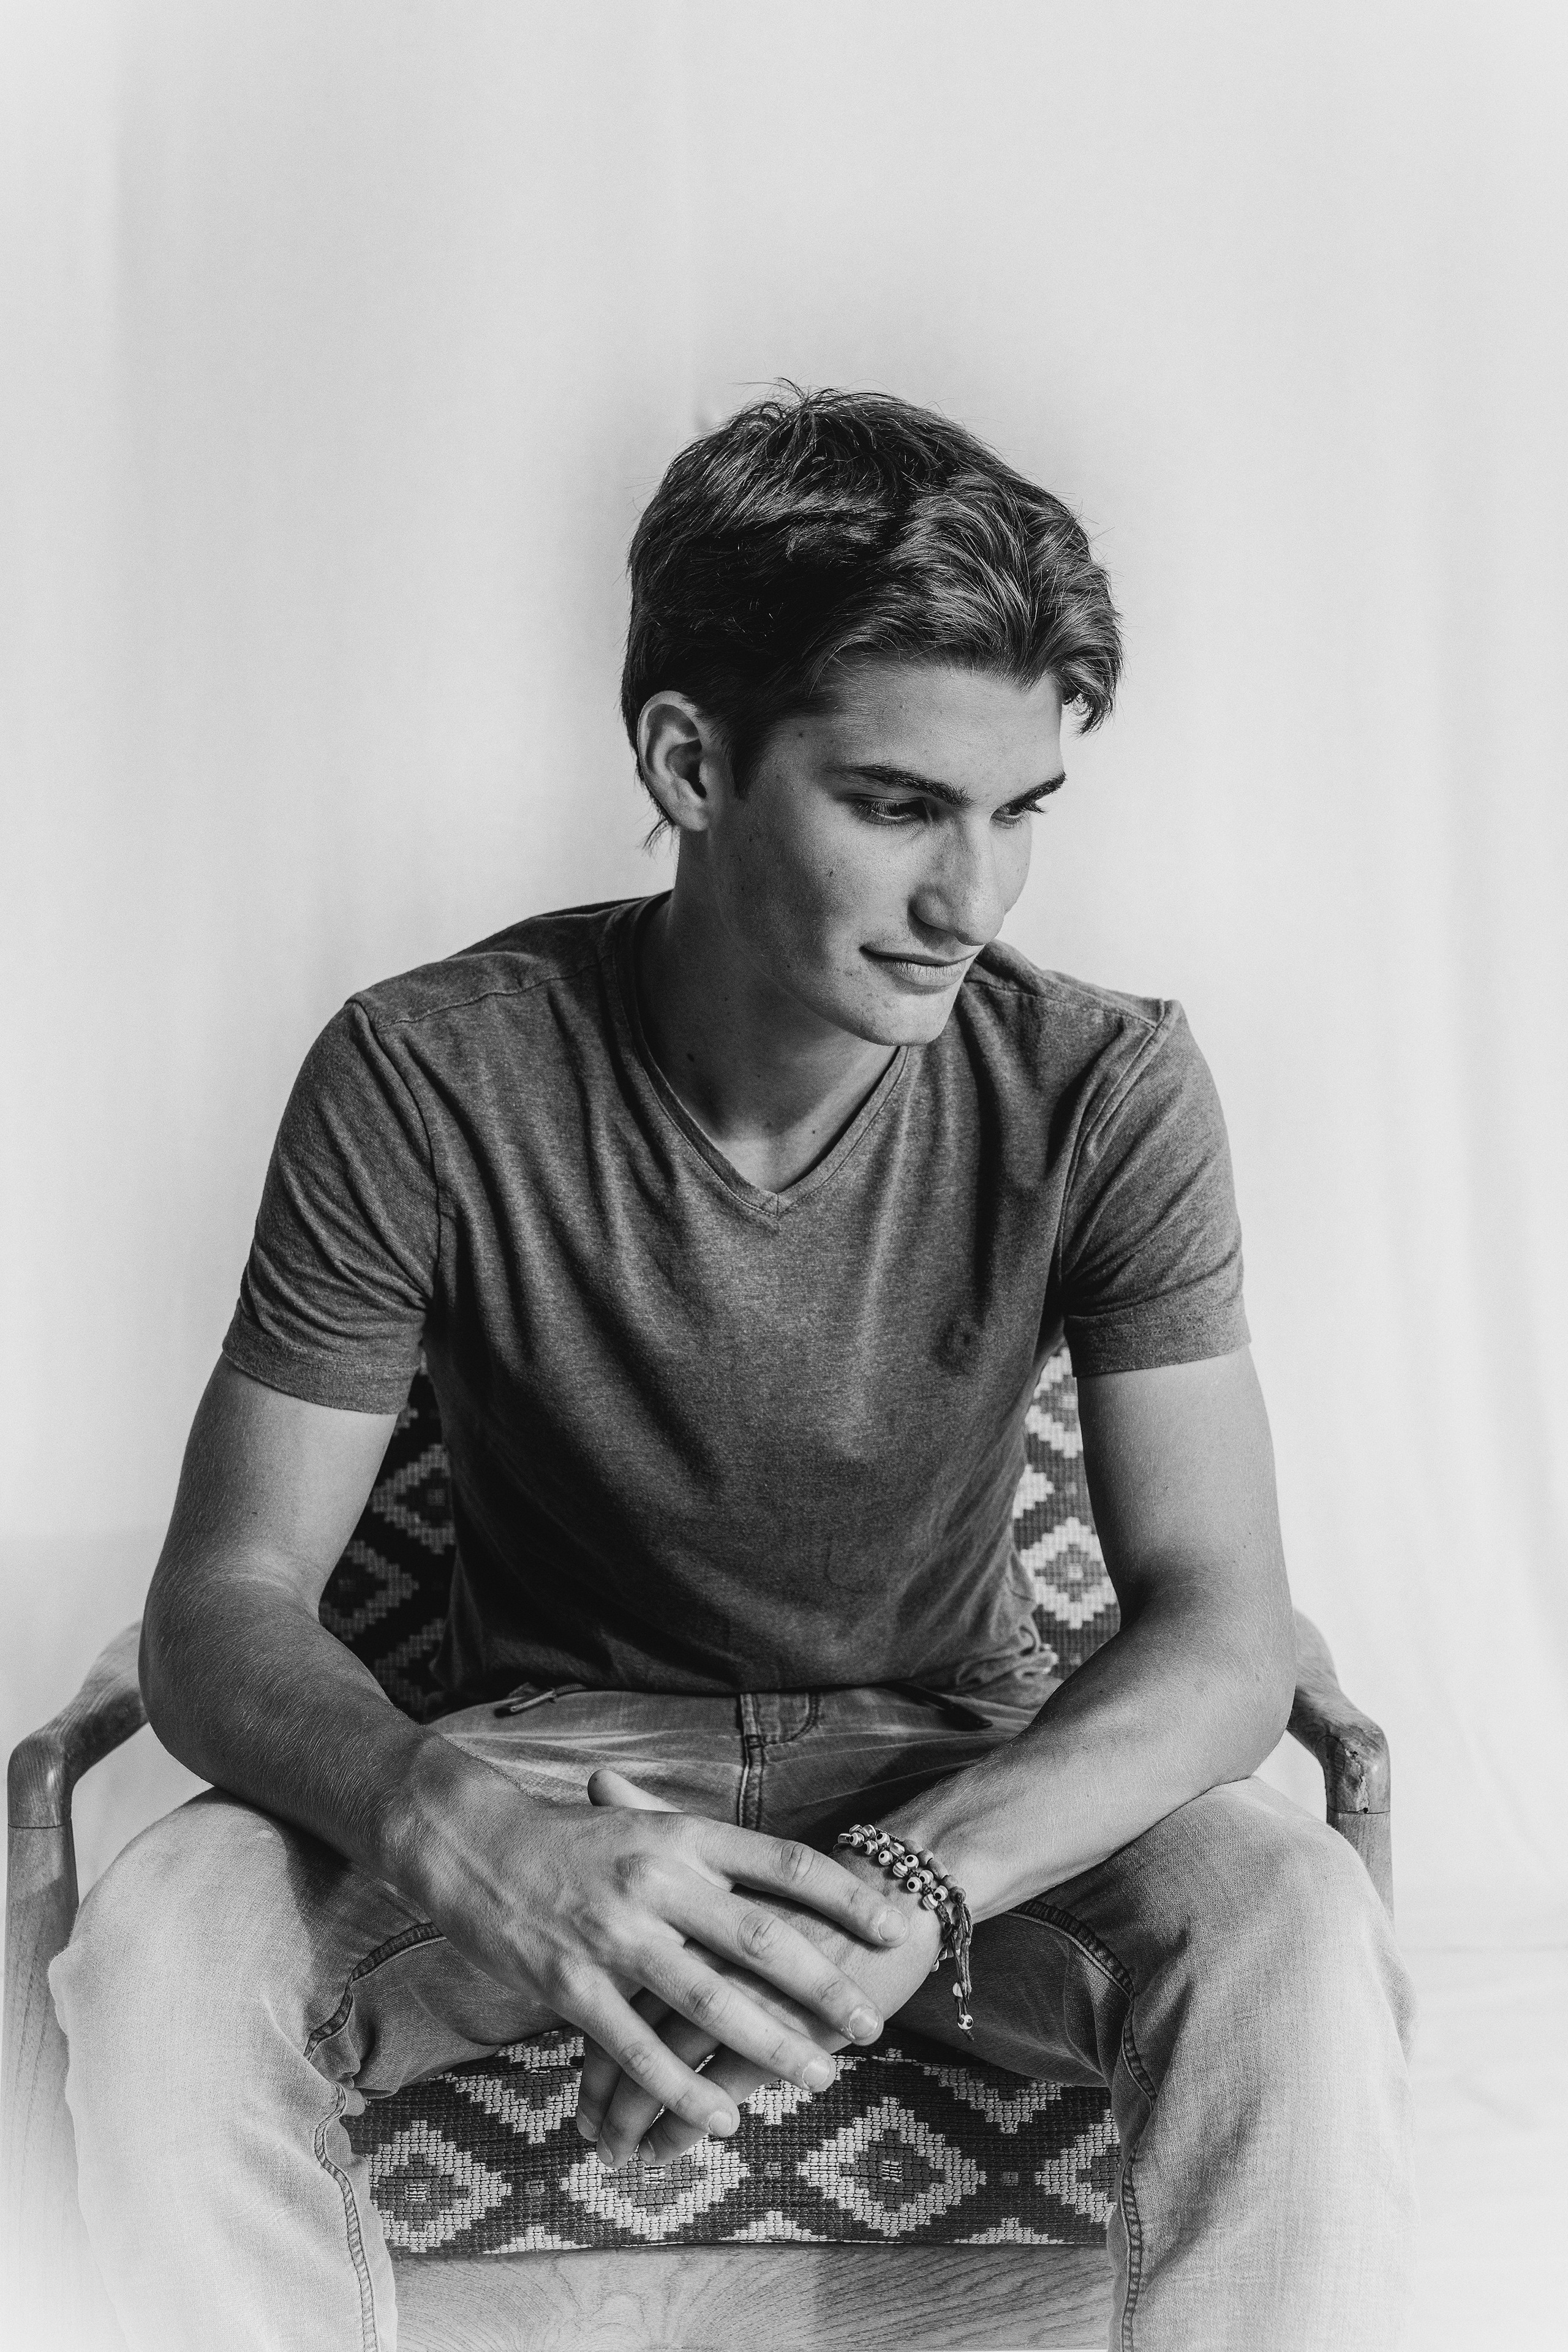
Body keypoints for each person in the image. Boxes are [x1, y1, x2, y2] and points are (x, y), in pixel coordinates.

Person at [51, 388, 1414, 2351]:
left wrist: (907, 1889)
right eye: (896, 804)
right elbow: (224, 1606)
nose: (976, 899)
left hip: (956, 1772)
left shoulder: (1107, 1086)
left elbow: (1221, 1619)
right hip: (543, 1751)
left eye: (1021, 810)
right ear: (692, 761)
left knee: (1290, 1926)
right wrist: (481, 1841)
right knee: (169, 1951)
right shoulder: (425, 1073)